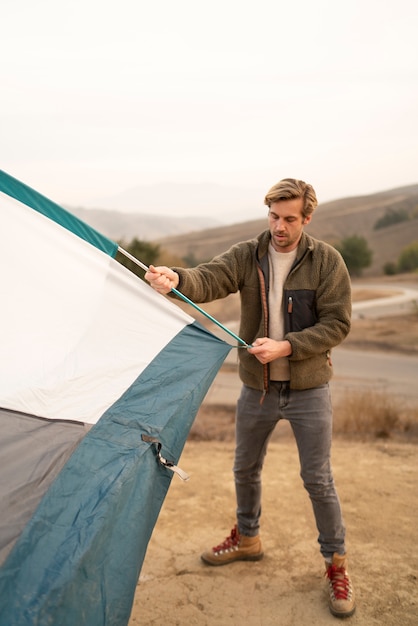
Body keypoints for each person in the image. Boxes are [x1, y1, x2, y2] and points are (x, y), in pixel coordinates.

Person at [145, 178, 355, 619]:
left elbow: (338, 324)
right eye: (274, 216)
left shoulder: (327, 262)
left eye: (290, 219)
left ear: (307, 218)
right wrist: (176, 277)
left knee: (317, 479)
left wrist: (287, 346)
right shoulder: (248, 254)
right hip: (256, 389)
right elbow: (208, 278)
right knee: (244, 467)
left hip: (309, 389)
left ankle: (336, 564)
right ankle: (248, 539)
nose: (279, 226)